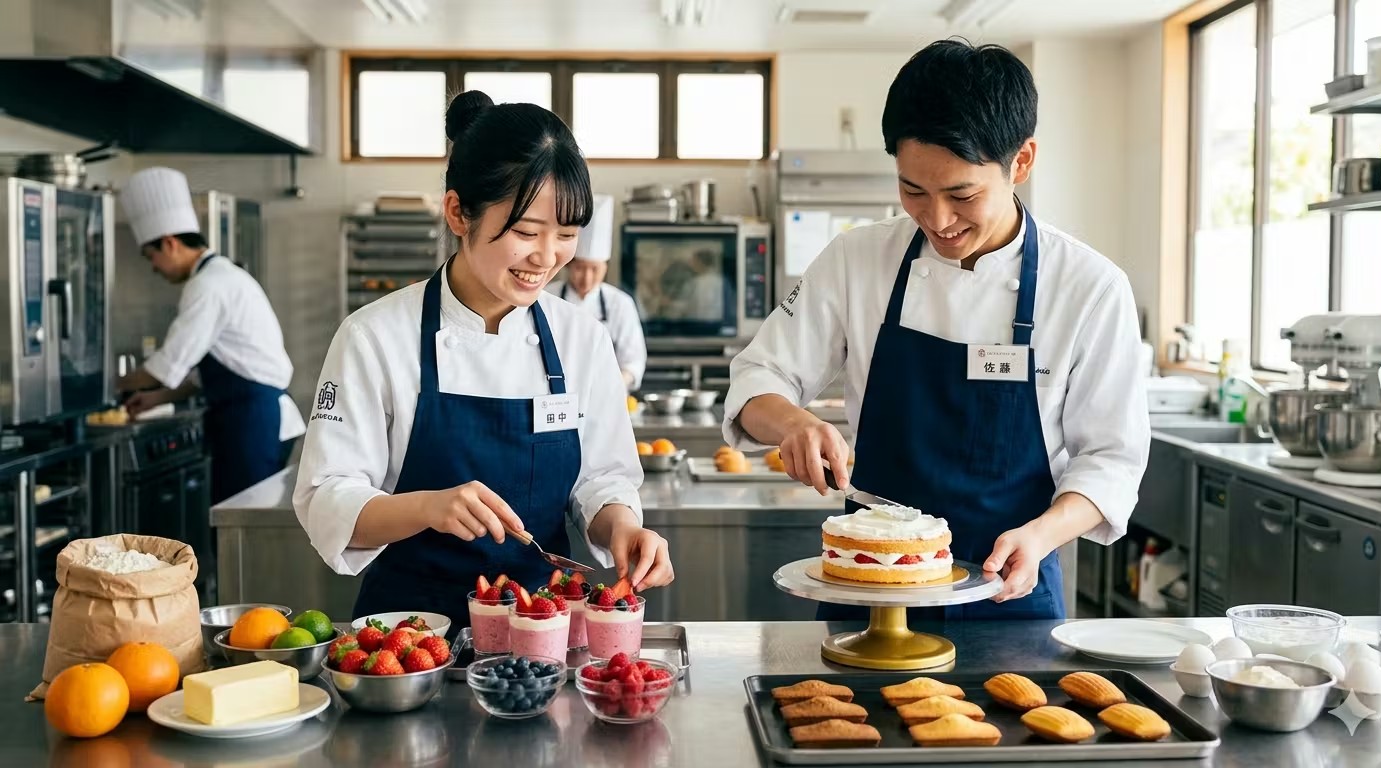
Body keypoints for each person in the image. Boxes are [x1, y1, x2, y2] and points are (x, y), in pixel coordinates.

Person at [723, 40, 1150, 621]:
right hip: (871, 589)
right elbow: (758, 377)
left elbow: (1112, 459)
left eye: (962, 194)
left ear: (1022, 161)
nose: (938, 219)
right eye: (913, 191)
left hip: (1009, 589)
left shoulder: (1089, 287)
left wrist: (1045, 533)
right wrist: (793, 423)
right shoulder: (857, 259)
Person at [293, 92, 673, 632]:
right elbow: (326, 497)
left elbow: (602, 479)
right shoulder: (374, 336)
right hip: (410, 638)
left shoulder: (582, 339)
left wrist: (623, 527)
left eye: (566, 235)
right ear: (457, 213)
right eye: (526, 232)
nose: (547, 257)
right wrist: (427, 507)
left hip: (542, 627)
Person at [117, 167, 304, 504]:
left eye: (151, 256)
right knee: (241, 517)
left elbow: (167, 365)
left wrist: (108, 386)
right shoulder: (222, 277)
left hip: (251, 421)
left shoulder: (207, 285)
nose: (154, 267)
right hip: (254, 417)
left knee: (242, 520)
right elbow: (214, 370)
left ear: (170, 243)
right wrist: (159, 399)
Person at [546, 194, 647, 391]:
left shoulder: (620, 303)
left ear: (605, 267)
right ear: (568, 265)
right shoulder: (546, 297)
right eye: (579, 268)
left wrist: (610, 388)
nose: (587, 278)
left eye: (595, 269)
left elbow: (633, 362)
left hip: (607, 394)